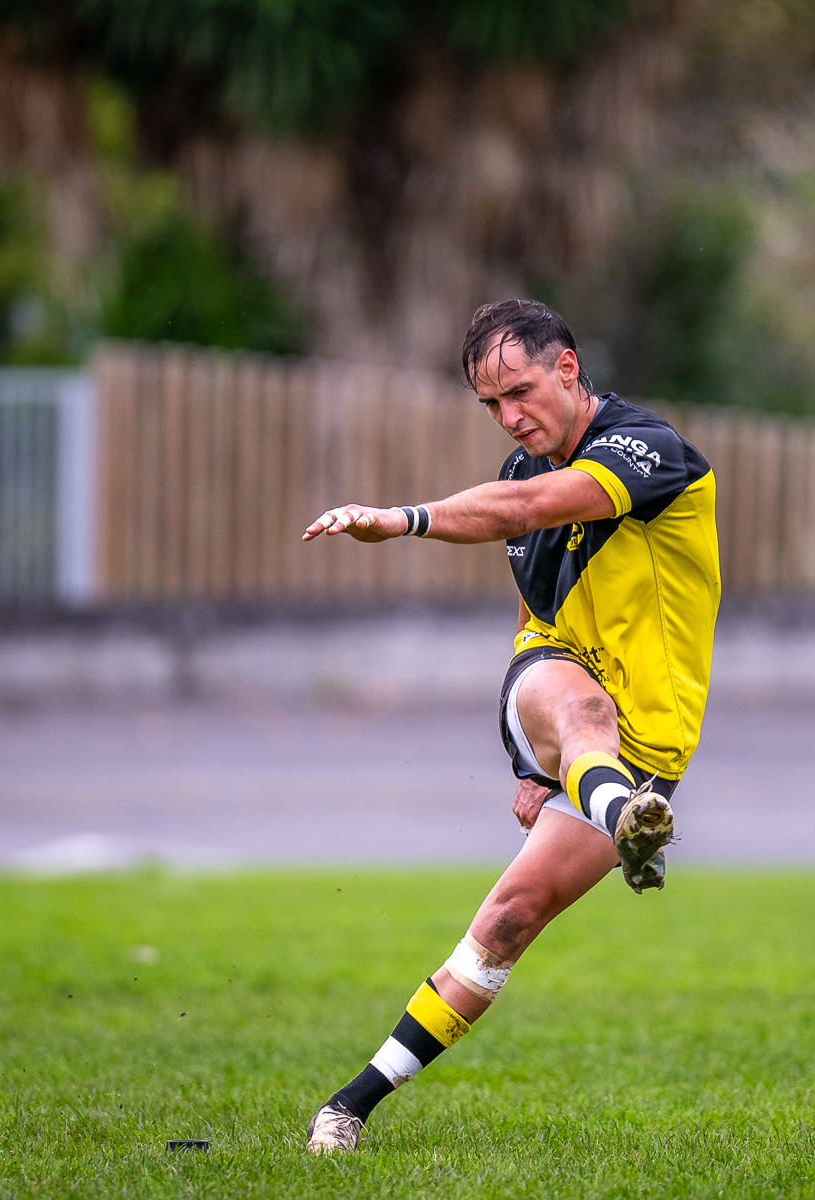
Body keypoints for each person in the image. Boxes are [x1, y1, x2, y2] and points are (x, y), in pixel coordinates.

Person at [299, 299, 721, 1152]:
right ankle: (626, 823)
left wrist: (401, 518)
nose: (510, 418)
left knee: (507, 921)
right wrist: (532, 765)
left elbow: (532, 509)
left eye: (519, 392)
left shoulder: (649, 452)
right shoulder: (519, 474)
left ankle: (356, 1097)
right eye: (491, 405)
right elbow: (541, 624)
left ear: (567, 367)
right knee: (581, 704)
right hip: (557, 698)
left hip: (647, 749)